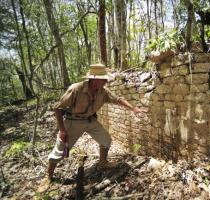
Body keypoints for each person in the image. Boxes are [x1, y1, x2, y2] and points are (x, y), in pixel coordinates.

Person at [38, 63, 145, 192]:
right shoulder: (76, 89)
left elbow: (118, 99)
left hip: (90, 120)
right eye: (103, 79)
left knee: (106, 140)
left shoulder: (103, 91)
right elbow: (58, 108)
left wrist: (133, 108)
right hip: (73, 121)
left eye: (106, 79)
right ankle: (48, 176)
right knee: (61, 149)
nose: (106, 81)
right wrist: (62, 130)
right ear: (94, 79)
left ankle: (103, 162)